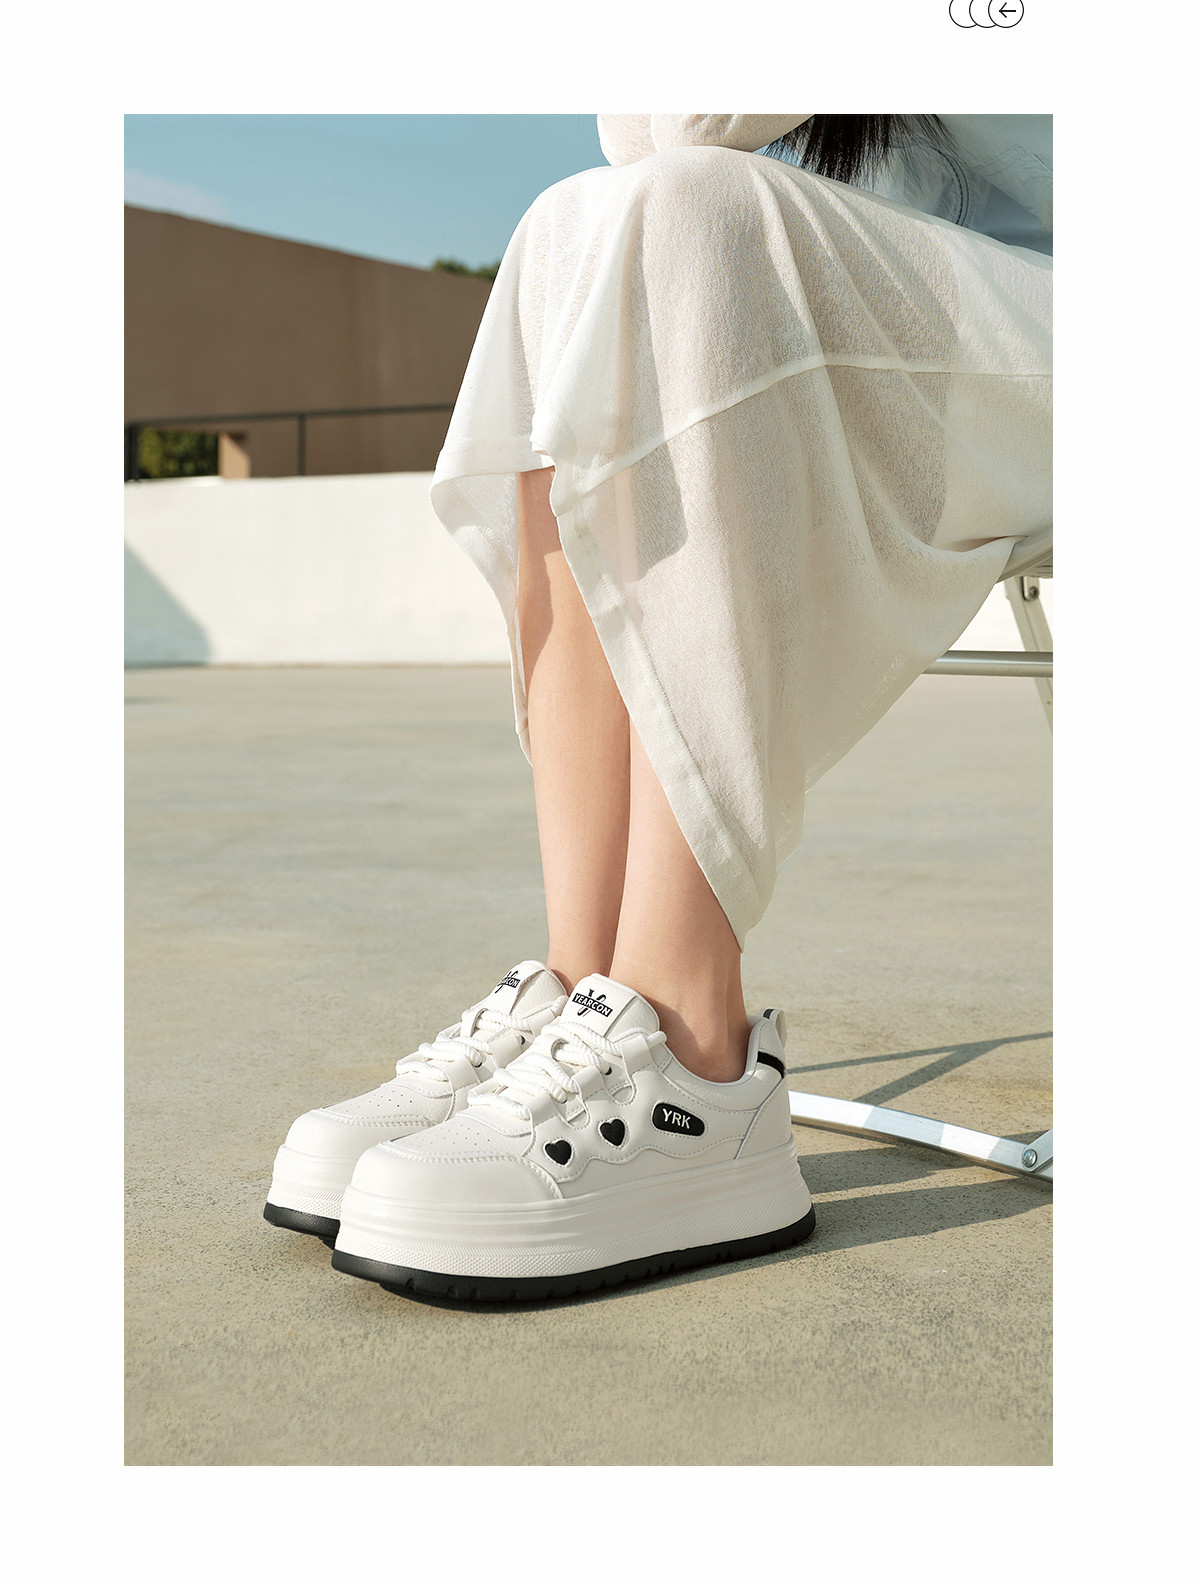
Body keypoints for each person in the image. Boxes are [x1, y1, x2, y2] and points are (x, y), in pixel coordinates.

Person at [265, 114, 1052, 1301]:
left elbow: (690, 123)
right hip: (932, 302)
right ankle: (584, 988)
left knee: (697, 215)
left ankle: (689, 1037)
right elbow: (645, 129)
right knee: (568, 227)